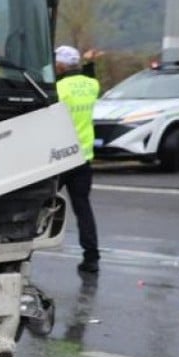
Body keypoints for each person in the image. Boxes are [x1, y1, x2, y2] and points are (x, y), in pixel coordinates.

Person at [54, 45, 102, 274]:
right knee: (83, 208)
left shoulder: (59, 88)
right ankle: (91, 257)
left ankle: (24, 250)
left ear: (61, 65)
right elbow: (90, 78)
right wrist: (90, 63)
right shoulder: (92, 86)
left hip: (61, 157)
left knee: (40, 204)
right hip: (83, 158)